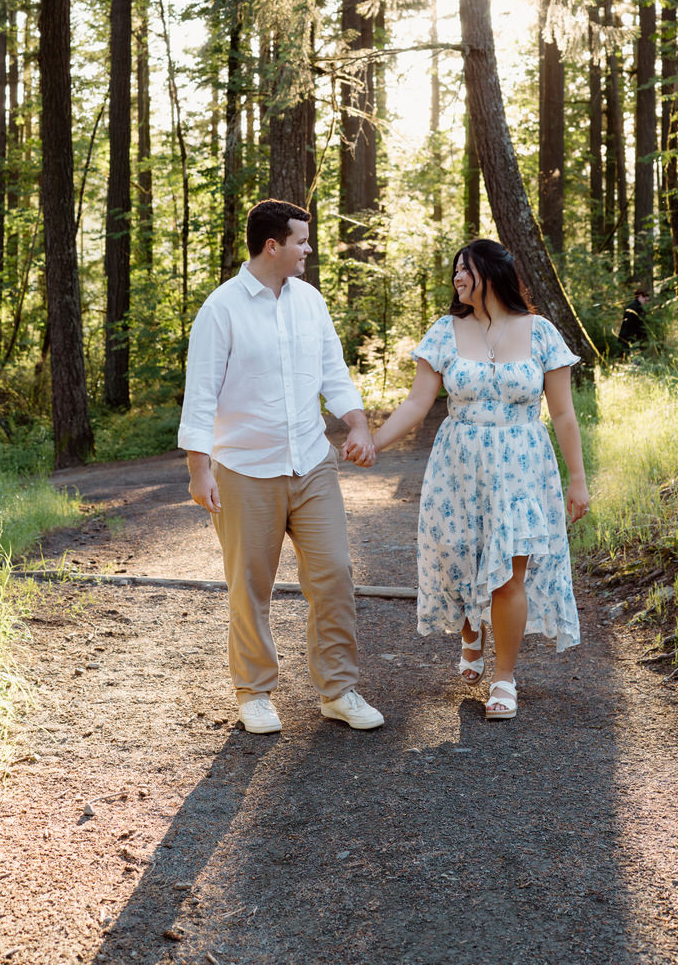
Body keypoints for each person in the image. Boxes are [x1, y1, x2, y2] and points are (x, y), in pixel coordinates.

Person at [357, 239, 589, 721]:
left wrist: (578, 480)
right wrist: (375, 441)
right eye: (455, 272)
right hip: (458, 465)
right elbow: (418, 403)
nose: (457, 279)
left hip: (523, 467)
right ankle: (470, 629)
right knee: (460, 557)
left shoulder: (541, 332)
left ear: (491, 272)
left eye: (465, 270)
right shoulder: (445, 332)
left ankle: (504, 677)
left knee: (509, 571)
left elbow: (564, 414)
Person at [179, 198, 384, 735]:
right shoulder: (221, 309)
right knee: (251, 585)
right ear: (274, 246)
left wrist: (357, 424)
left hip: (311, 463)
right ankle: (254, 693)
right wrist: (199, 470)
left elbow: (333, 372)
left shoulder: (309, 302)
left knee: (335, 574)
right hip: (245, 468)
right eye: (301, 241)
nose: (308, 250)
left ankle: (338, 691)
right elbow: (200, 396)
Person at [617, 288, 650, 355]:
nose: (646, 300)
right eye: (645, 298)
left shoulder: (637, 307)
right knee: (633, 359)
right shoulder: (634, 307)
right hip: (631, 339)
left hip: (630, 338)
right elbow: (633, 325)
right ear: (640, 296)